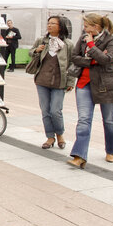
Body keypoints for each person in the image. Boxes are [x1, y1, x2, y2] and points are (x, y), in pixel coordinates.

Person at [68, 13, 113, 168]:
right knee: (84, 120)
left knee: (109, 120)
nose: (84, 29)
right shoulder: (83, 38)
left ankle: (111, 150)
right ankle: (79, 155)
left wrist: (92, 46)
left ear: (96, 26)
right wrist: (94, 60)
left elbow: (107, 60)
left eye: (86, 26)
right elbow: (74, 57)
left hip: (106, 85)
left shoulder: (112, 40)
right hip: (84, 83)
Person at [29, 16, 75, 150]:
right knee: (45, 110)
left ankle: (60, 134)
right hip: (42, 80)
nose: (49, 25)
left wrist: (71, 81)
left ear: (60, 26)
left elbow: (72, 63)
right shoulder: (42, 40)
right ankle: (50, 137)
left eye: (53, 23)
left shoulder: (68, 44)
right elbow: (31, 52)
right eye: (48, 23)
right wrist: (37, 50)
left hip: (59, 81)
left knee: (55, 111)